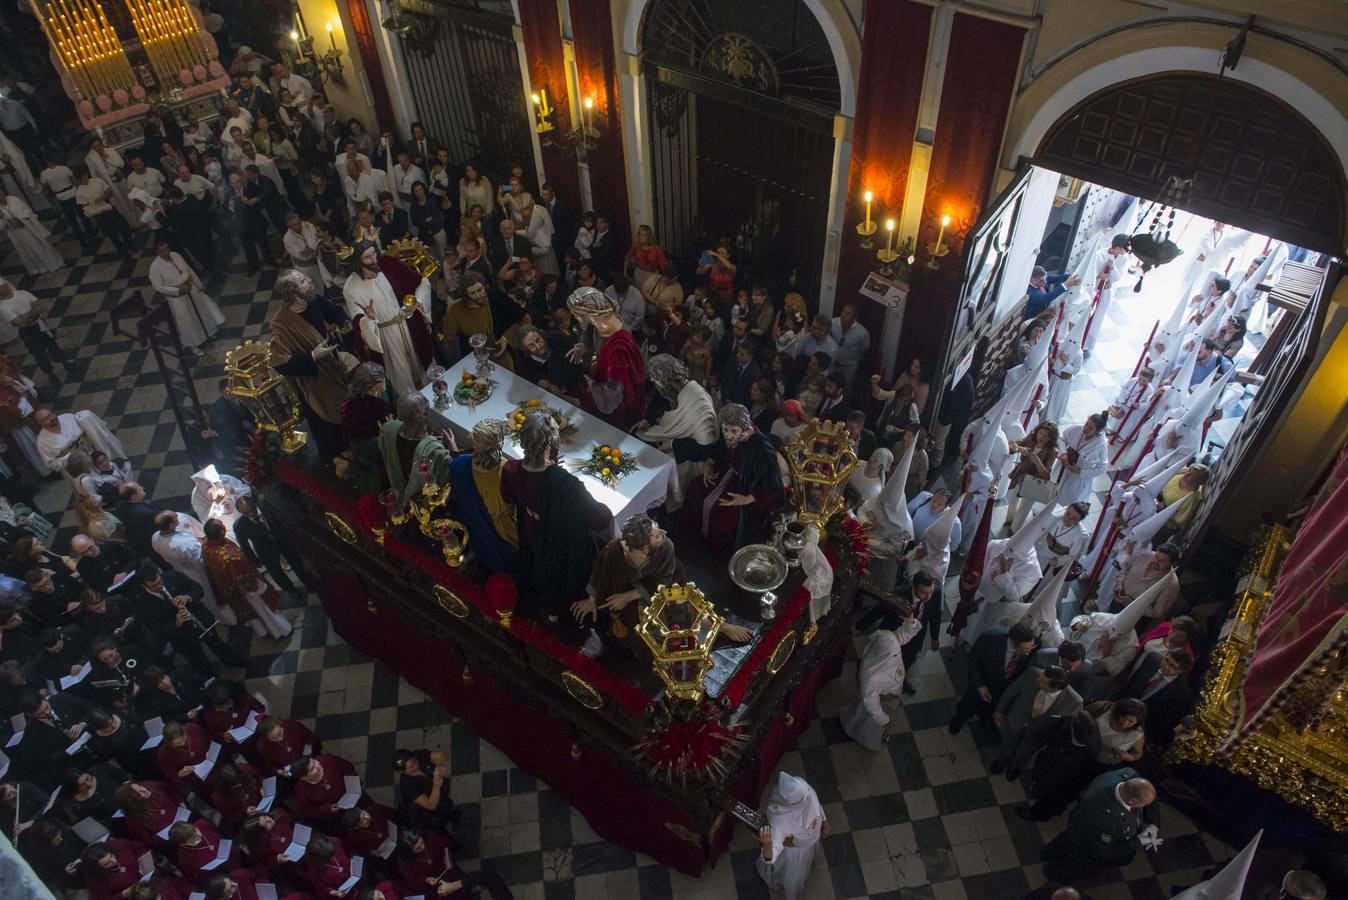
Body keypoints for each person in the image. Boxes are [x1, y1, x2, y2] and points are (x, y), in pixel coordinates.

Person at [501, 410, 612, 621]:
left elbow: (509, 497)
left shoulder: (511, 469)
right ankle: (557, 613)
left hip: (531, 531)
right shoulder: (566, 484)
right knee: (561, 573)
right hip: (562, 538)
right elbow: (600, 519)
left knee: (539, 566)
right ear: (551, 441)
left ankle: (547, 607)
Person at [268, 269, 350, 462]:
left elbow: (333, 310)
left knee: (345, 413)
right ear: (292, 293)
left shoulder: (312, 300)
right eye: (303, 281)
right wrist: (312, 356)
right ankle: (335, 459)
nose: (309, 281)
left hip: (333, 368)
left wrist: (343, 322)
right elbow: (280, 363)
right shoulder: (281, 323)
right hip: (313, 383)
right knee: (325, 427)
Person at [686, 403, 784, 553]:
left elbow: (772, 486)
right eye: (725, 430)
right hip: (730, 472)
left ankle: (717, 553)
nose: (729, 435)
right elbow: (720, 449)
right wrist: (709, 464)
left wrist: (746, 499)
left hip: (750, 491)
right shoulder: (730, 435)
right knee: (694, 490)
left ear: (745, 428)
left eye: (734, 431)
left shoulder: (762, 449)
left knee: (722, 519)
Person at [344, 241, 431, 396]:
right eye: (367, 257)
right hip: (384, 336)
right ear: (359, 261)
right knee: (401, 375)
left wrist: (415, 303)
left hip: (407, 325)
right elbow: (358, 321)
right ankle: (411, 407)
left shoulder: (388, 264)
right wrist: (369, 318)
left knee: (420, 365)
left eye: (374, 253)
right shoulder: (351, 287)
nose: (374, 259)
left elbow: (421, 282)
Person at [1040, 770, 1159, 878]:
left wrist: (1154, 824)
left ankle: (1048, 853)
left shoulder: (1129, 775)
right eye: (1143, 804)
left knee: (1066, 838)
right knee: (1081, 860)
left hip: (1080, 821)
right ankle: (1054, 872)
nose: (1145, 807)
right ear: (1132, 801)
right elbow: (1105, 853)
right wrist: (1139, 841)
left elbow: (1146, 793)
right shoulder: (1107, 819)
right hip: (1088, 840)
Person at [566, 286, 646, 428]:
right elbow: (590, 331)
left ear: (588, 313)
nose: (575, 318)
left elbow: (614, 393)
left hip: (619, 404)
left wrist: (592, 385)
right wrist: (584, 346)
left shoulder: (619, 348)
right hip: (602, 374)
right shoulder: (600, 321)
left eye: (576, 314)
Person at [840, 612, 922, 750]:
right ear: (885, 654)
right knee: (868, 723)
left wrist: (911, 621)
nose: (898, 653)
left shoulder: (889, 642)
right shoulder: (871, 676)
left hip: (891, 693)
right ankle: (866, 738)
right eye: (895, 653)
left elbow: (905, 634)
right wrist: (883, 718)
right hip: (881, 701)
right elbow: (871, 703)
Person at [446, 420, 519, 574]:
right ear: (499, 444)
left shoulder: (457, 466)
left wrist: (454, 448)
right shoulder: (508, 473)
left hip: (477, 535)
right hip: (507, 541)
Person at [202, 517, 292, 639]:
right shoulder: (231, 558)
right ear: (222, 532)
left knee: (251, 613)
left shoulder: (206, 544)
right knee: (264, 609)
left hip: (230, 590)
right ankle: (281, 630)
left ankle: (263, 632)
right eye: (222, 525)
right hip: (248, 590)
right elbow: (249, 581)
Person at [992, 664, 1082, 780]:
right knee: (1007, 743)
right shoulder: (1031, 673)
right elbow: (1011, 691)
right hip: (1015, 720)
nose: (1037, 679)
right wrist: (1000, 710)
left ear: (1054, 688)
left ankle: (1014, 767)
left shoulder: (1074, 701)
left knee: (1024, 754)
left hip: (1038, 735)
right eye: (1041, 675)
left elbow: (1066, 725)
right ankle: (1003, 761)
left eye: (1042, 681)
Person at [949, 623, 1038, 735]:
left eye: (1031, 648)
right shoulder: (989, 638)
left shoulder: (1031, 645)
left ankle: (986, 720)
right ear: (1014, 643)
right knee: (969, 704)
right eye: (1025, 649)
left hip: (1003, 687)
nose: (1028, 652)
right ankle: (959, 720)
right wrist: (980, 686)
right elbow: (972, 662)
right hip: (982, 681)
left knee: (992, 707)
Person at [151, 510, 234, 624]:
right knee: (212, 597)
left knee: (207, 599)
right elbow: (201, 558)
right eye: (175, 517)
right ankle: (230, 620)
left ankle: (221, 618)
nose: (178, 516)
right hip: (198, 572)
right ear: (171, 525)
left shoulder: (155, 537)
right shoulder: (184, 543)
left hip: (181, 570)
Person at [755, 772, 826, 900]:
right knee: (794, 878)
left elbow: (815, 806)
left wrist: (824, 820)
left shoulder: (805, 791)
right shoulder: (780, 822)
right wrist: (768, 845)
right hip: (794, 852)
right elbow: (771, 855)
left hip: (805, 844)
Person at [379, 391, 455, 508]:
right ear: (423, 417)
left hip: (400, 490)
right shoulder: (433, 449)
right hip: (423, 503)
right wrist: (453, 447)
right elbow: (451, 472)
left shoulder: (389, 429)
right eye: (426, 411)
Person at [148, 239, 226, 354]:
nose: (166, 252)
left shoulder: (175, 255)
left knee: (200, 311)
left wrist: (198, 284)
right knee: (186, 320)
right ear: (157, 252)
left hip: (191, 288)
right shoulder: (155, 267)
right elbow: (158, 287)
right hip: (178, 297)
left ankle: (208, 333)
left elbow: (188, 269)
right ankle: (193, 345)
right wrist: (177, 290)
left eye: (167, 249)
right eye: (163, 251)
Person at [0, 280, 75, 385]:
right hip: (28, 332)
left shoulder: (22, 293)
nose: (4, 288)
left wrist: (25, 316)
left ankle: (65, 363)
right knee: (39, 354)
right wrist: (34, 311)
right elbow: (21, 324)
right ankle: (51, 374)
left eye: (4, 286)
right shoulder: (3, 307)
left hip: (40, 325)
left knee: (53, 345)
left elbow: (41, 305)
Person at [34, 406, 127, 477]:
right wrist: (73, 457)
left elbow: (89, 429)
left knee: (112, 475)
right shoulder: (42, 442)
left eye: (50, 415)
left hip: (95, 456)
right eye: (45, 419)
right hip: (77, 470)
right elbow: (51, 464)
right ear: (40, 423)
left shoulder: (68, 418)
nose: (51, 419)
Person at [391, 748, 455, 832]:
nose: (415, 764)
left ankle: (448, 815)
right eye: (410, 766)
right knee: (438, 827)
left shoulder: (418, 756)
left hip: (440, 796)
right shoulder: (407, 786)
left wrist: (441, 765)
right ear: (402, 771)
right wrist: (436, 786)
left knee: (446, 806)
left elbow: (442, 756)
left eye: (414, 760)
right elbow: (430, 805)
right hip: (428, 812)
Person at [0, 193, 63, 275]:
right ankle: (40, 268)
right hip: (15, 233)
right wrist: (2, 219)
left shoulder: (13, 199)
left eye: (1, 195)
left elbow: (27, 209)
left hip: (28, 228)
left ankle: (53, 264)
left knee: (38, 246)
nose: (1, 199)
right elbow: (1, 226)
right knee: (27, 250)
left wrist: (22, 217)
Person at [1055, 412, 1108, 507]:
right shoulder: (1076, 429)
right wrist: (1063, 453)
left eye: (1090, 428)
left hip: (1077, 479)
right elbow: (1061, 439)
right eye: (1086, 424)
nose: (1086, 428)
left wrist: (1081, 471)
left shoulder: (1101, 445)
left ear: (1097, 431)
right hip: (1062, 467)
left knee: (1066, 503)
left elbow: (1102, 468)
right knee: (1052, 491)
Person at [828, 303, 870, 394]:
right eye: (843, 312)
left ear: (855, 317)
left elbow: (865, 348)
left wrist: (852, 355)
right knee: (829, 386)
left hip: (849, 366)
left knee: (846, 390)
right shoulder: (833, 323)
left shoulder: (862, 332)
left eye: (848, 314)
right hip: (833, 362)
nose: (843, 315)